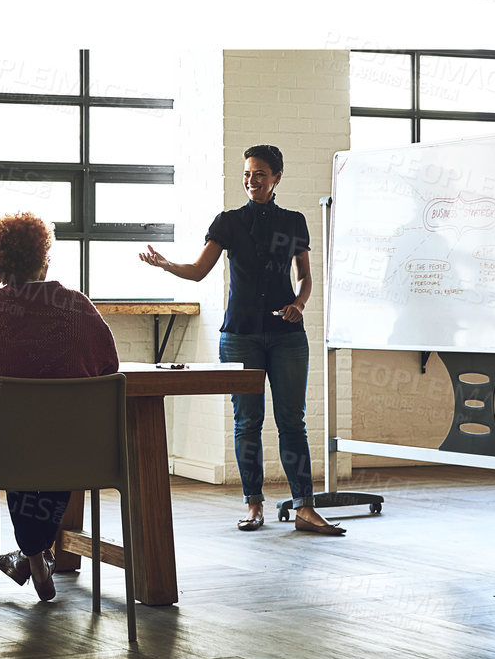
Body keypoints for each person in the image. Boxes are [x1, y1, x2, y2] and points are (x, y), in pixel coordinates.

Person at [139, 143, 345, 536]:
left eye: (260, 174)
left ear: (277, 178)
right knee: (247, 423)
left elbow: (304, 275)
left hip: (287, 335)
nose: (252, 180)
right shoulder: (228, 222)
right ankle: (254, 505)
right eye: (247, 173)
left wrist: (300, 303)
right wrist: (166, 265)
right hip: (239, 337)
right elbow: (200, 271)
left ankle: (305, 507)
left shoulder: (294, 222)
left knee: (292, 422)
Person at [0, 212, 119, 602]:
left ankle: (32, 556)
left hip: (5, 448)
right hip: (77, 450)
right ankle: (35, 556)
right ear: (43, 258)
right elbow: (108, 367)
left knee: (13, 444)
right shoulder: (77, 305)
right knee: (54, 453)